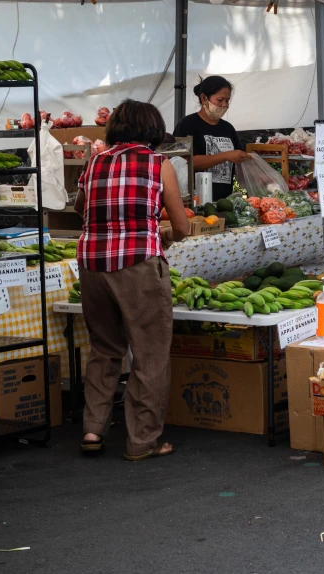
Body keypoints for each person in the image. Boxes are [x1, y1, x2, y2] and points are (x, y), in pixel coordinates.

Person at [76, 99, 191, 460]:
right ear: (153, 130)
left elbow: (81, 209)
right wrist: (164, 235)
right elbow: (183, 226)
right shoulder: (160, 164)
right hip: (139, 264)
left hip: (92, 264)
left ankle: (93, 431)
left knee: (104, 349)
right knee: (149, 353)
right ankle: (142, 441)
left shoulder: (94, 161)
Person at [172, 75, 254, 200]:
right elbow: (184, 163)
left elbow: (238, 164)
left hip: (224, 201)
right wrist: (225, 156)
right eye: (220, 100)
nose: (224, 105)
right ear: (204, 98)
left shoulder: (228, 129)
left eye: (227, 101)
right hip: (194, 200)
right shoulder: (187, 124)